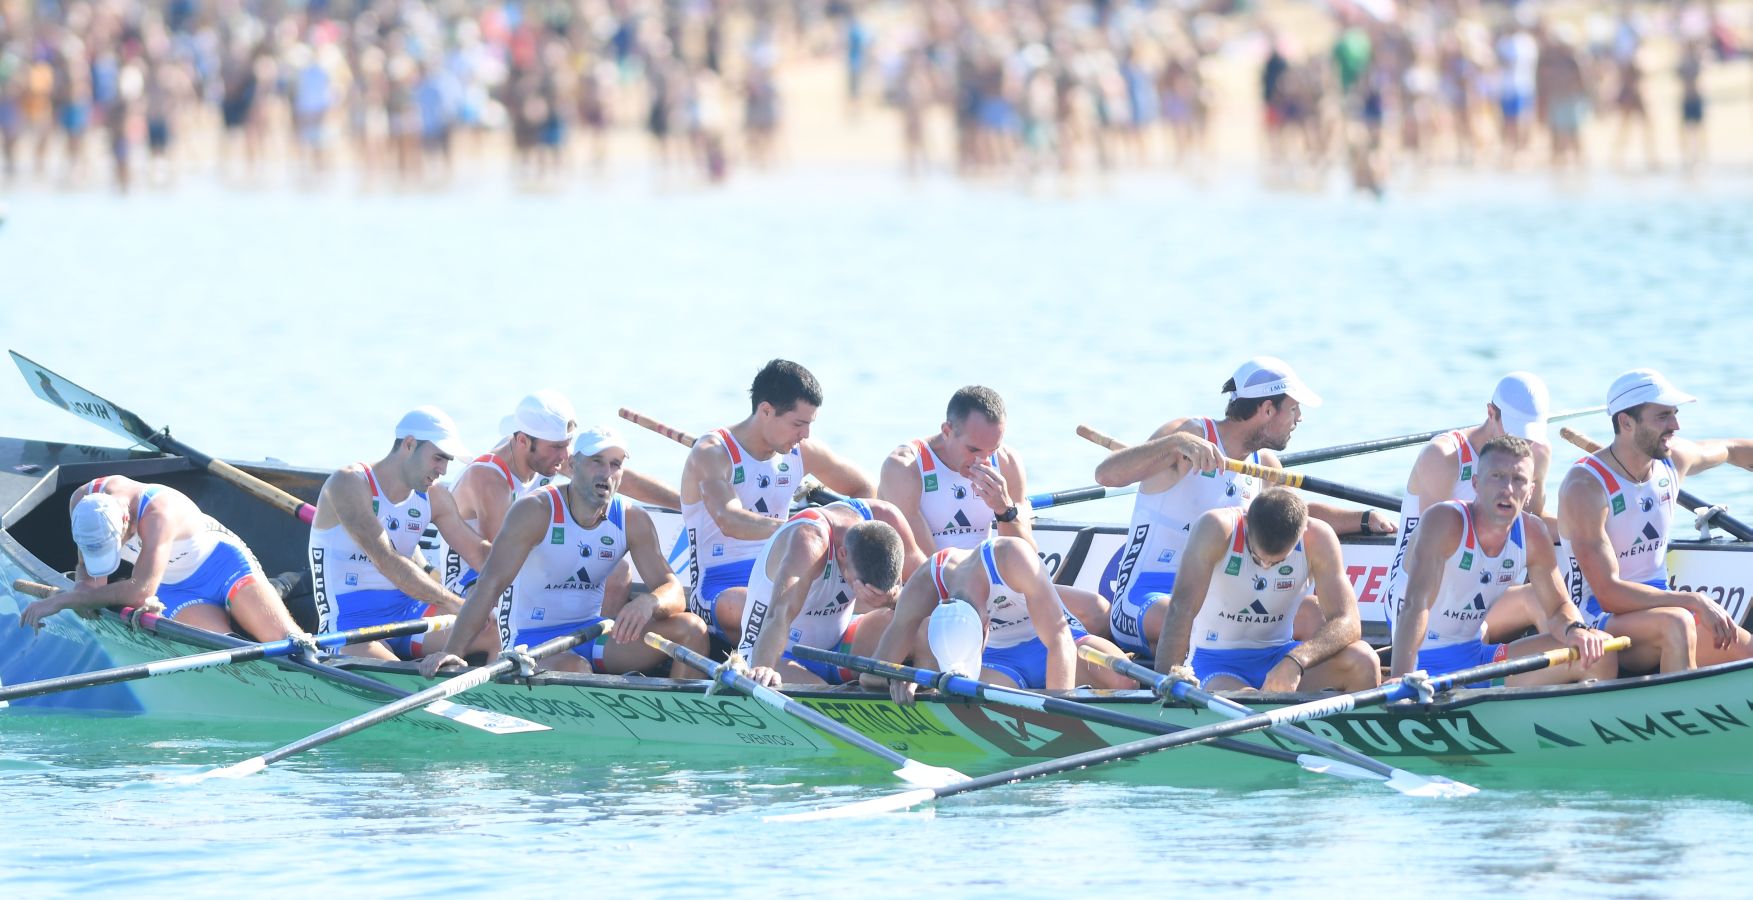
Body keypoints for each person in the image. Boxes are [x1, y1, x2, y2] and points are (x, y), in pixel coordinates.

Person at [1094, 357, 1395, 662]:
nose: (1299, 418)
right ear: (1267, 409)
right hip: (1145, 597)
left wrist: (1364, 519)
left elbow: (1294, 516)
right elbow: (1107, 475)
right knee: (1189, 622)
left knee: (1314, 616)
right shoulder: (1187, 435)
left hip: (1221, 598)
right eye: (1293, 409)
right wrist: (1175, 443)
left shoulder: (1263, 465)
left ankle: (1281, 677)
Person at [419, 428, 709, 678]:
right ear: (573, 464)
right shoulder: (534, 512)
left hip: (592, 634)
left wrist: (650, 601)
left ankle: (685, 722)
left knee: (693, 629)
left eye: (615, 464)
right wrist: (452, 652)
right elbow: (490, 585)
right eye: (597, 462)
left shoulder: (633, 520)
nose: (606, 474)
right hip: (528, 641)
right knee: (576, 668)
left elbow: (674, 590)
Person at [1557, 370, 1753, 673]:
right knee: (1678, 621)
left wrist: (1687, 604)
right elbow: (1608, 593)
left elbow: (1731, 450)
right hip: (1598, 620)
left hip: (1660, 609)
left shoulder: (1672, 461)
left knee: (1746, 651)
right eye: (1663, 417)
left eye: (1674, 414)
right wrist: (1693, 601)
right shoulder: (1585, 487)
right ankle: (1683, 710)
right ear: (1626, 422)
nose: (1675, 426)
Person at [878, 385, 1109, 636]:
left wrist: (1004, 508)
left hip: (993, 587)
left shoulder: (1008, 462)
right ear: (947, 431)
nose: (983, 461)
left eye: (993, 450)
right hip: (932, 591)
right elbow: (917, 566)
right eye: (974, 450)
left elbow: (1027, 556)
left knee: (1098, 611)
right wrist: (970, 599)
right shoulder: (905, 467)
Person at [1390, 436, 1613, 685]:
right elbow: (1415, 605)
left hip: (1477, 658)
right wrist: (1401, 677)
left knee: (1600, 652)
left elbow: (1558, 607)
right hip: (1422, 662)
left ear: (1530, 492)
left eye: (1518, 480)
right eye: (1497, 476)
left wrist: (1576, 631)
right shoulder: (1444, 522)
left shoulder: (1532, 534)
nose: (1507, 489)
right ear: (1476, 483)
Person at [679, 359, 875, 639]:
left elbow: (865, 490)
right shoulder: (712, 453)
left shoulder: (803, 450)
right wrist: (807, 528)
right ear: (766, 411)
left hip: (782, 572)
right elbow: (729, 519)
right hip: (719, 588)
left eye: (809, 424)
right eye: (798, 424)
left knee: (878, 596)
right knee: (781, 608)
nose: (805, 434)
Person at [432, 391, 680, 595]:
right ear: (522, 442)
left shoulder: (544, 453)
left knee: (617, 573)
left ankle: (591, 649)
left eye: (567, 445)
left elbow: (627, 482)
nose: (565, 457)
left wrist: (686, 503)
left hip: (525, 564)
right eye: (557, 448)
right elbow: (500, 564)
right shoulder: (489, 479)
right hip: (473, 582)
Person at [19, 475, 305, 642]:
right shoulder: (82, 502)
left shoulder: (158, 513)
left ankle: (281, 586)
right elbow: (88, 574)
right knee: (227, 650)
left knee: (289, 643)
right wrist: (83, 590)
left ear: (126, 521)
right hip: (170, 587)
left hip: (223, 567)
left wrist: (67, 599)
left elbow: (141, 591)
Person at [1154, 487, 1380, 692]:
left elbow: (1348, 621)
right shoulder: (1216, 529)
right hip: (1214, 662)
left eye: (1277, 562)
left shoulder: (1318, 537)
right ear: (1247, 521)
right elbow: (1180, 608)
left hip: (1278, 656)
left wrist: (1296, 661)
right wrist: (1164, 686)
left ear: (1302, 532)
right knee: (1250, 701)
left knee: (1364, 660)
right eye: (1256, 557)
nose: (1264, 567)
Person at [1382, 373, 1552, 642]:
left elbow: (1534, 520)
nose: (1524, 445)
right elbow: (1432, 554)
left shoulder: (1537, 453)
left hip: (1489, 588)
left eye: (1530, 436)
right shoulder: (1444, 457)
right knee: (1538, 601)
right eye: (1516, 432)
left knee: (1554, 603)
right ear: (1491, 413)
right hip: (1417, 597)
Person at [870, 536, 1134, 702]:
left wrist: (1058, 712)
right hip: (1000, 664)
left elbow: (1059, 638)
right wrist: (908, 676)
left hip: (1062, 642)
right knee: (976, 702)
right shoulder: (925, 583)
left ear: (985, 626)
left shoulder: (1011, 557)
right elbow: (868, 675)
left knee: (1126, 683)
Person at [307, 407, 470, 659]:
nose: (444, 470)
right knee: (395, 672)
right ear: (409, 444)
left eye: (447, 461)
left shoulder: (435, 496)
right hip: (350, 623)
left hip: (407, 613)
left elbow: (478, 551)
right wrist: (456, 604)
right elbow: (386, 560)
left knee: (491, 632)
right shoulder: (348, 483)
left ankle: (503, 697)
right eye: (438, 458)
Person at [738, 498, 910, 688]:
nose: (862, 593)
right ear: (842, 554)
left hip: (838, 646)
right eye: (858, 585)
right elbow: (779, 614)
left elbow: (927, 587)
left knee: (918, 629)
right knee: (825, 695)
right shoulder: (809, 541)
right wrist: (763, 668)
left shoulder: (882, 516)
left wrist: (892, 597)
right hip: (774, 652)